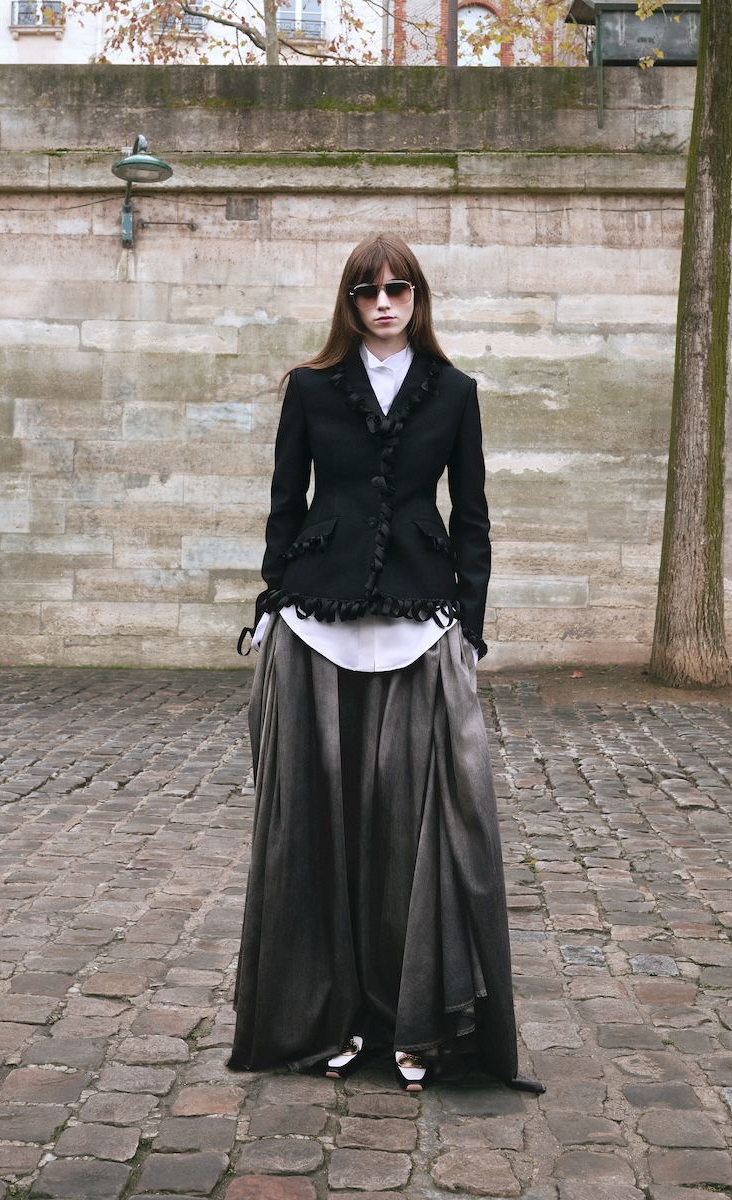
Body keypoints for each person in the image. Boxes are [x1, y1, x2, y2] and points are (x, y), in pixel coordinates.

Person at [227, 234, 543, 1095]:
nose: (383, 304)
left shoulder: (456, 392)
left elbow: (471, 515)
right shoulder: (310, 388)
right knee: (319, 827)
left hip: (418, 618)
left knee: (412, 827)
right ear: (349, 302)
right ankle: (323, 1018)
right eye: (367, 292)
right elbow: (285, 502)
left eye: (397, 288)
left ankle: (414, 1021)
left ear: (416, 297)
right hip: (317, 620)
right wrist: (270, 600)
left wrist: (470, 625)